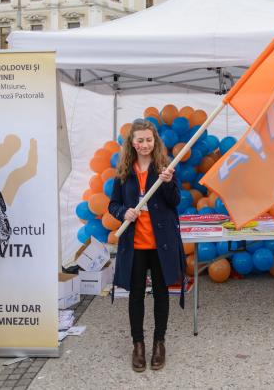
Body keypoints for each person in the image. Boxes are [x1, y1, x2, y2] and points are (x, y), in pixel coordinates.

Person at [108, 119, 185, 373]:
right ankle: (138, 344)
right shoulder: (124, 172)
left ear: (155, 141)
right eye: (139, 140)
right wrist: (124, 212)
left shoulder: (165, 167)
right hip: (135, 245)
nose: (144, 144)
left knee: (162, 294)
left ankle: (159, 343)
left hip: (161, 244)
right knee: (136, 295)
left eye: (148, 140)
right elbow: (113, 204)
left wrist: (169, 182)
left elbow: (175, 202)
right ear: (132, 142)